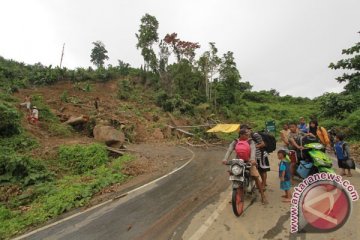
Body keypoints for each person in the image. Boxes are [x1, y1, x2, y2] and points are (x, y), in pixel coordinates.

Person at [222, 128, 268, 205]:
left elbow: (253, 150)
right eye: (246, 134)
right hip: (238, 161)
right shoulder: (235, 141)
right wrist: (225, 159)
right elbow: (229, 150)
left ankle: (263, 196)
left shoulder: (250, 141)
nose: (248, 135)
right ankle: (234, 196)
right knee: (234, 175)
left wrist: (253, 159)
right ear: (241, 135)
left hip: (250, 161)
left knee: (256, 177)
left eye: (248, 134)